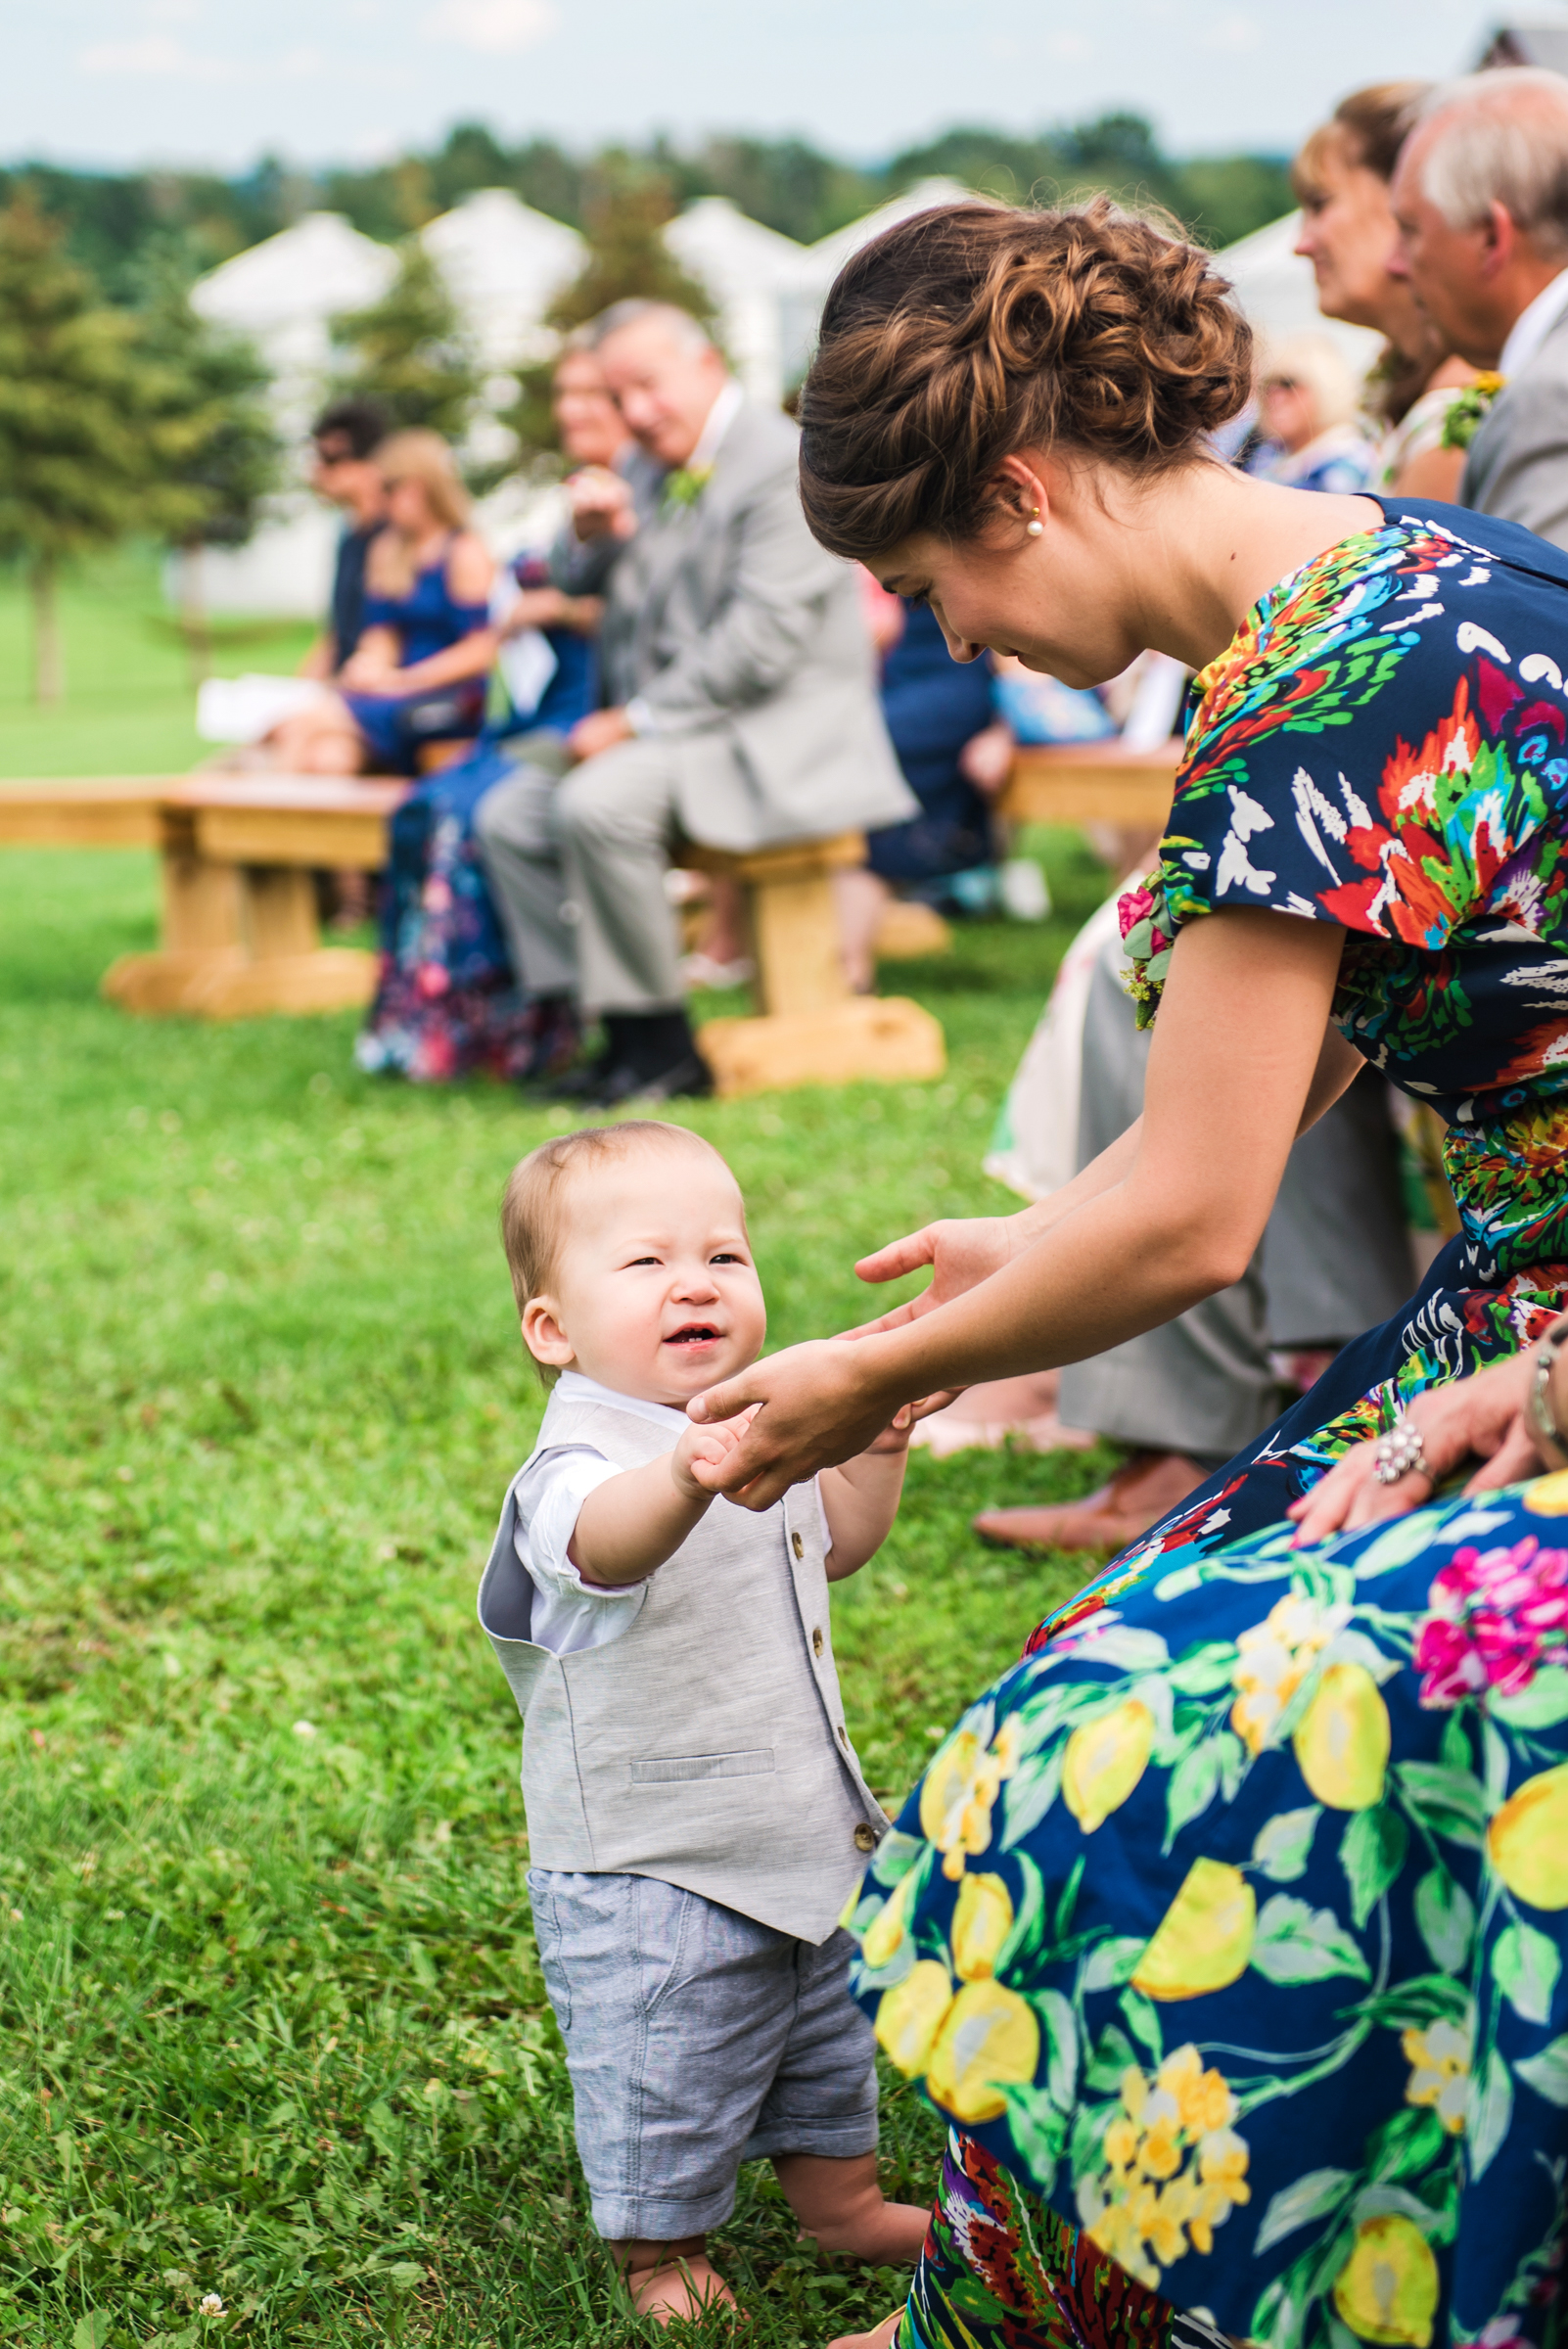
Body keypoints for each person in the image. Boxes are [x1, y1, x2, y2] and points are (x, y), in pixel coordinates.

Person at [652, 197, 1568, 2347]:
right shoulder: (1409, 571)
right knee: (1117, 1675)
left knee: (1097, 1744)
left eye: (933, 587)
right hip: (1517, 1285)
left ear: (1021, 490)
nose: (950, 638)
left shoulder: (1309, 706)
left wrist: (874, 1378)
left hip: (1538, 1322)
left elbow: (1194, 1219)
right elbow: (1269, 1099)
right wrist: (1023, 1248)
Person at [475, 1121, 930, 2325]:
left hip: (793, 1835)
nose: (698, 1283)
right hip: (650, 1865)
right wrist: (686, 1476)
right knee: (664, 2057)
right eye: (645, 1264)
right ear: (553, 1330)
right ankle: (659, 2250)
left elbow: (831, 1544)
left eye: (725, 1256)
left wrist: (875, 1446)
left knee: (822, 2047)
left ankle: (842, 2202)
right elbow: (602, 1551)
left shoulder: (738, 1421)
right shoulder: (576, 1464)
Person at [474, 299, 916, 1109]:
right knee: (509, 814)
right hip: (680, 734)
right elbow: (576, 585)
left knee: (600, 803)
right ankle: (603, 1028)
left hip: (772, 737)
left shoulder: (786, 465)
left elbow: (760, 641)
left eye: (648, 385)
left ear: (707, 362)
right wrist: (591, 535)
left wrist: (633, 722)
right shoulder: (643, 466)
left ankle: (661, 1048)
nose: (635, 413)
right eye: (618, 396)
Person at [354, 353, 642, 1085]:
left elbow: (653, 612)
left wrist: (564, 607)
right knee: (423, 807)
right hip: (539, 705)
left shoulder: (657, 490)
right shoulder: (559, 502)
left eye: (591, 397)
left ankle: (523, 1024)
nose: (573, 412)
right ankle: (426, 1017)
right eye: (565, 398)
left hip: (604, 710)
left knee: (472, 817)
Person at [1390, 67, 1568, 546]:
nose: (1396, 263)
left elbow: (1539, 616)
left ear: (1491, 237)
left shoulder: (1550, 398)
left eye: (1410, 230)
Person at [1292, 80, 1478, 499]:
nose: (1301, 244)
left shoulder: (1461, 417)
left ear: (1406, 194)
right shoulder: (1416, 387)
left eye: (1320, 204)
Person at [271, 430, 494, 777]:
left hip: (447, 699)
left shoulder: (464, 551)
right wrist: (369, 667)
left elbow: (481, 650)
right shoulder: (388, 550)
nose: (382, 500)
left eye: (389, 488)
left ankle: (270, 820)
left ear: (420, 486)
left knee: (302, 723)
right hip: (393, 694)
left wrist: (403, 680)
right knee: (330, 759)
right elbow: (382, 634)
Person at [299, 395, 391, 682]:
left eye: (331, 458)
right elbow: (336, 636)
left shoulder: (396, 540)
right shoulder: (350, 539)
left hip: (378, 685)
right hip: (346, 685)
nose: (318, 471)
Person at [1244, 331, 1374, 493]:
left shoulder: (1345, 464)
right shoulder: (1270, 450)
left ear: (1326, 388)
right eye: (1267, 384)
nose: (1273, 395)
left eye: (1288, 384)